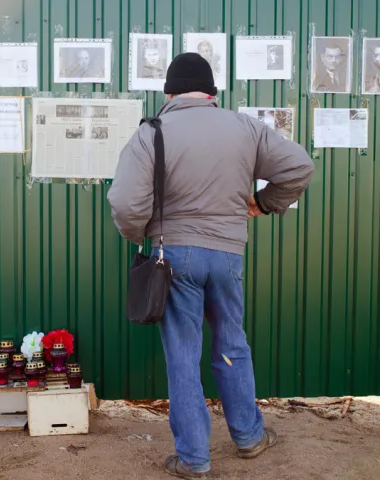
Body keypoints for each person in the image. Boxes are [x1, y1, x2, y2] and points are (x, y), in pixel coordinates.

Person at [107, 53, 314, 478]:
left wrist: (139, 235)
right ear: (211, 93)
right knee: (231, 344)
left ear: (169, 93)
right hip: (228, 253)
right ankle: (249, 436)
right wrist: (264, 202)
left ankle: (194, 459)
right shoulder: (244, 127)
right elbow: (299, 167)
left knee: (183, 356)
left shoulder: (153, 132)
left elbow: (126, 203)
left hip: (174, 253)